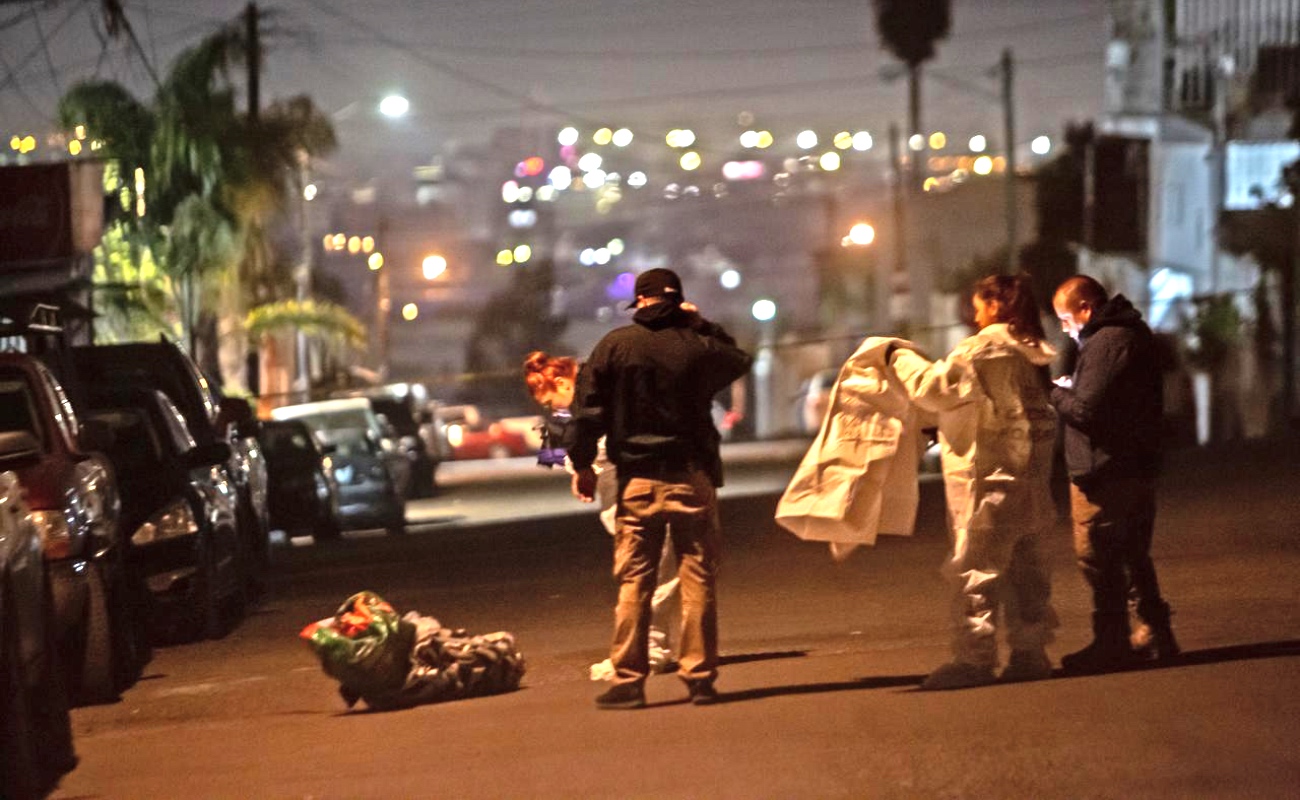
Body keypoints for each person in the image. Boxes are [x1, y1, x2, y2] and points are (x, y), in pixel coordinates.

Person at [569, 267, 752, 709]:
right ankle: (700, 677)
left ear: (641, 302)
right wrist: (700, 323)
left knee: (635, 580)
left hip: (636, 480)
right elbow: (738, 359)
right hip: (691, 475)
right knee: (697, 575)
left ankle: (629, 680)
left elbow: (586, 413)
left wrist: (582, 465)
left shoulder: (614, 346)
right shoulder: (697, 346)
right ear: (678, 302)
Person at [889, 274, 1059, 690]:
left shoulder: (982, 348)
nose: (974, 311)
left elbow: (935, 388)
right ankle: (1030, 652)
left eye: (979, 303)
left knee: (976, 571)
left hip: (988, 480)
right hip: (1031, 481)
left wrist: (897, 356)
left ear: (996, 305)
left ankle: (973, 659)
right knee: (1027, 574)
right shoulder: (1034, 351)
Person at [522, 350, 680, 678]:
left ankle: (643, 651)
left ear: (563, 382)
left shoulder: (595, 406)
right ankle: (648, 648)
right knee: (652, 575)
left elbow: (603, 450)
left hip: (634, 501)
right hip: (633, 500)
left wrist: (579, 464)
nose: (555, 410)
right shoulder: (605, 399)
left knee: (644, 576)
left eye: (552, 401)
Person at [1050, 275, 1179, 674]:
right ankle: (1154, 635)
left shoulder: (1106, 342)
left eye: (1066, 318)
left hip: (1107, 469)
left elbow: (1087, 411)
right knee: (1130, 554)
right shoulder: (1125, 335)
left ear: (1086, 309)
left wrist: (1051, 391)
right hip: (1131, 464)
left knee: (1099, 556)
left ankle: (1112, 643)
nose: (1064, 328)